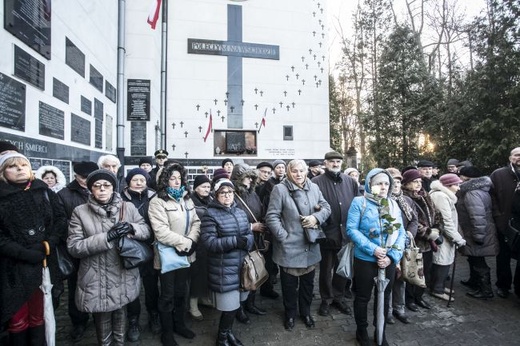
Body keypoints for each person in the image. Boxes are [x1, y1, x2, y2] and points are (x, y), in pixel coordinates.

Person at [67, 169, 150, 345]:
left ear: (114, 188)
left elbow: (146, 230)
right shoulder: (80, 212)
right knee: (102, 315)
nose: (102, 189)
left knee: (121, 311)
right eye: (97, 186)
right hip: (96, 274)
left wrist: (131, 228)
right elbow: (74, 247)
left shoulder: (127, 207)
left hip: (122, 271)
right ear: (91, 190)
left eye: (107, 185)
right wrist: (106, 238)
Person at [0, 151, 65, 345]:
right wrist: (22, 252)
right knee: (17, 317)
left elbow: (60, 219)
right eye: (12, 166)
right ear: (3, 172)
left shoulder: (42, 190)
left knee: (40, 312)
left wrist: (48, 243)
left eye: (23, 165)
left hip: (43, 261)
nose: (19, 169)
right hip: (13, 267)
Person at [265, 159, 331, 331]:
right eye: (294, 171)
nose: (299, 174)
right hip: (289, 247)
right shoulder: (280, 189)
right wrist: (283, 236)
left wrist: (316, 218)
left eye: (301, 171)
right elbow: (271, 216)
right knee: (289, 286)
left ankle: (306, 312)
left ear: (307, 171)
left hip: (310, 245)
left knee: (308, 285)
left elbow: (326, 206)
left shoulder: (314, 187)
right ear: (288, 172)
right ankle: (290, 314)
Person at [346, 168, 405, 346]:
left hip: (387, 260)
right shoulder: (359, 202)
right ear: (370, 184)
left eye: (387, 183)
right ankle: (361, 330)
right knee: (363, 296)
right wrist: (373, 249)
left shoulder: (393, 205)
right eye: (379, 183)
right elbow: (351, 230)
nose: (384, 187)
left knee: (384, 297)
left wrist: (392, 256)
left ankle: (380, 330)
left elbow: (401, 233)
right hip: (365, 259)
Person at [148, 163, 200, 346]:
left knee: (181, 292)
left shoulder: (187, 198)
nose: (177, 182)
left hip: (186, 254)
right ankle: (167, 332)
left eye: (179, 178)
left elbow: (196, 222)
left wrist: (192, 241)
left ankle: (179, 324)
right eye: (172, 178)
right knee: (167, 295)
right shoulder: (157, 201)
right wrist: (185, 243)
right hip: (168, 256)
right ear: (165, 180)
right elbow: (160, 231)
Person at [200, 178, 254, 346]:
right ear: (216, 195)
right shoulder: (210, 214)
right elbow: (209, 242)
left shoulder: (239, 211)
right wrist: (234, 241)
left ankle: (228, 332)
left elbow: (249, 234)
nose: (227, 195)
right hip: (224, 268)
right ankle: (221, 338)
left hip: (241, 266)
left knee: (237, 304)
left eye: (229, 192)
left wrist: (247, 241)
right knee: (229, 306)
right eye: (222, 192)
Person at [311, 151, 359, 316]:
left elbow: (357, 205)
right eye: (332, 161)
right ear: (325, 163)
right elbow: (311, 206)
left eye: (338, 161)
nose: (335, 163)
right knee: (325, 270)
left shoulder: (350, 182)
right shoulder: (315, 182)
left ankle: (338, 297)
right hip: (326, 234)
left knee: (343, 268)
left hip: (346, 234)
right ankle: (326, 299)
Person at [56, 160, 99, 342]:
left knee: (99, 284)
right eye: (83, 178)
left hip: (99, 247)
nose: (88, 181)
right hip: (77, 249)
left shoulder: (102, 188)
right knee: (77, 287)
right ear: (75, 176)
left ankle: (100, 317)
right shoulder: (64, 194)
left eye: (91, 177)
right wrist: (82, 233)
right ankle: (79, 321)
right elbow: (59, 221)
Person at [121, 168, 160, 341]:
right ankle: (133, 320)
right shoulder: (120, 199)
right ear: (128, 181)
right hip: (130, 250)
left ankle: (153, 314)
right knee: (132, 287)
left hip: (150, 247)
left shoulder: (154, 197)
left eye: (142, 180)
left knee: (151, 286)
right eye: (135, 180)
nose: (139, 183)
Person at [230, 163, 268, 324]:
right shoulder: (231, 194)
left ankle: (250, 304)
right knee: (241, 275)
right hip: (240, 241)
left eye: (251, 177)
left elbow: (260, 210)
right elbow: (227, 220)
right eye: (246, 177)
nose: (249, 180)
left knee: (254, 271)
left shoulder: (253, 194)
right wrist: (251, 226)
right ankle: (239, 309)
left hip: (255, 239)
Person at [401, 168, 442, 312]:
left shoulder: (425, 195)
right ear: (406, 183)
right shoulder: (404, 198)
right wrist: (429, 233)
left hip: (428, 243)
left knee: (425, 271)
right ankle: (410, 299)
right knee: (413, 271)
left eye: (419, 181)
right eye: (414, 181)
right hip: (415, 242)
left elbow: (435, 213)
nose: (418, 184)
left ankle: (419, 297)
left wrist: (437, 228)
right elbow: (412, 221)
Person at [457, 166, 499, 299]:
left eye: (461, 176)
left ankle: (485, 290)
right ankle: (474, 283)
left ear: (467, 178)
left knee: (479, 262)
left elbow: (477, 216)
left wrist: (478, 236)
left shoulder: (472, 193)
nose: (459, 178)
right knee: (473, 258)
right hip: (478, 231)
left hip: (476, 232)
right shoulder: (480, 189)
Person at [385, 168, 417, 325]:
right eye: (393, 182)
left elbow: (414, 220)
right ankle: (387, 311)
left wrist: (410, 233)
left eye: (398, 182)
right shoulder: (382, 201)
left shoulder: (407, 201)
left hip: (404, 244)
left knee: (401, 278)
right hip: (388, 246)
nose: (396, 185)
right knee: (389, 279)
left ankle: (400, 308)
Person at [429, 174, 466, 302]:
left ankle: (439, 286)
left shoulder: (442, 195)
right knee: (442, 261)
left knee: (444, 260)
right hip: (444, 235)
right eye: (456, 185)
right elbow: (446, 221)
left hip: (446, 234)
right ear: (448, 185)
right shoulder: (441, 196)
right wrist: (457, 238)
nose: (458, 188)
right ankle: (437, 289)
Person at [490, 147, 520, 298]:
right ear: (510, 158)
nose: (519, 158)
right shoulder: (498, 174)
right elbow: (492, 198)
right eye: (516, 155)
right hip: (504, 224)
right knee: (503, 257)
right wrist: (498, 217)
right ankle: (503, 286)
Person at [258, 159, 286, 299]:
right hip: (266, 227)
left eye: (268, 172)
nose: (266, 174)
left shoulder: (281, 184)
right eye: (264, 172)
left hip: (279, 225)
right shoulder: (263, 186)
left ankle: (270, 283)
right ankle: (266, 287)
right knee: (267, 260)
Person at [188, 174, 214, 321]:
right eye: (203, 187)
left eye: (208, 187)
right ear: (196, 188)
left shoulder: (210, 199)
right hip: (196, 244)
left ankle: (203, 298)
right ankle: (192, 304)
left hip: (209, 242)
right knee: (196, 275)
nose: (206, 189)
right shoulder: (191, 201)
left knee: (206, 273)